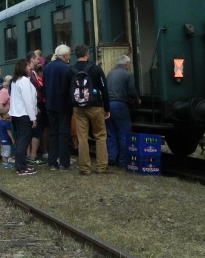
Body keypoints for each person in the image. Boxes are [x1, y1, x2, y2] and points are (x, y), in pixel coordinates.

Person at [64, 44, 111, 175]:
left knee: (82, 137)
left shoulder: (70, 71)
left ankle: (85, 168)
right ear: (87, 54)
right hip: (95, 106)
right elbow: (104, 90)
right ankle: (101, 166)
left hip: (78, 108)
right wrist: (107, 108)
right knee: (100, 136)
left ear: (76, 55)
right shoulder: (96, 69)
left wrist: (72, 104)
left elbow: (64, 91)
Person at [105, 54, 141, 167]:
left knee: (111, 133)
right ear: (126, 64)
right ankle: (123, 161)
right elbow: (131, 91)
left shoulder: (110, 74)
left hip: (107, 106)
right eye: (129, 64)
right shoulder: (128, 75)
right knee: (123, 133)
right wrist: (137, 99)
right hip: (120, 105)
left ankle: (111, 158)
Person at [44, 44, 73, 171]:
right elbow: (67, 89)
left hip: (50, 105)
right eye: (69, 55)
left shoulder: (47, 67)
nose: (70, 57)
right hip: (63, 106)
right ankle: (64, 162)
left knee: (54, 133)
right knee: (64, 134)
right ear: (65, 55)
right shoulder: (65, 68)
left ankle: (52, 161)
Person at [8, 58, 37, 176]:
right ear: (23, 68)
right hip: (24, 114)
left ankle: (20, 164)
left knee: (20, 139)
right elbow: (28, 101)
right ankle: (21, 167)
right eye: (28, 66)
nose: (30, 68)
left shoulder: (14, 81)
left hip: (16, 114)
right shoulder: (24, 81)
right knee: (24, 140)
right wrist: (33, 117)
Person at [0, 77, 14, 168]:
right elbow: (0, 104)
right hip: (5, 118)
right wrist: (5, 115)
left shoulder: (9, 91)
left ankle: (7, 158)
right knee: (6, 148)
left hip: (7, 117)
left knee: (5, 148)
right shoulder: (4, 91)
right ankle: (5, 161)